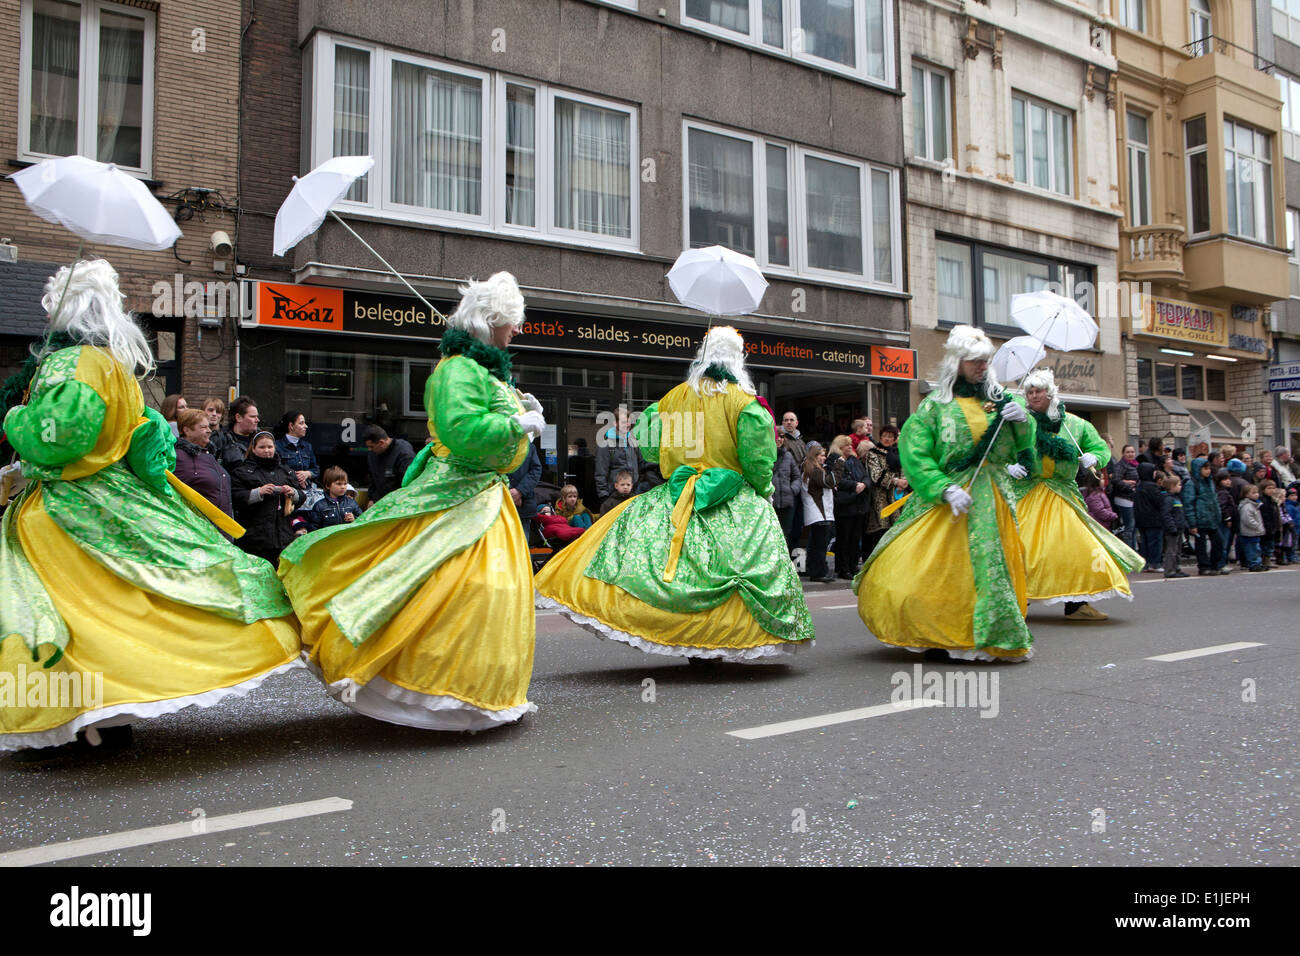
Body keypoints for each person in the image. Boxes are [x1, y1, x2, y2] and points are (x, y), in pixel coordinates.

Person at [0, 260, 299, 756]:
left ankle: (82, 720)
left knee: (73, 616)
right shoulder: (114, 367)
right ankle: (103, 719)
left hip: (65, 512)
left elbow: (60, 439)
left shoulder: (70, 365)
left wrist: (16, 418)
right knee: (121, 609)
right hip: (111, 501)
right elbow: (144, 441)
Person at [279, 271, 543, 730]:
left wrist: (523, 411)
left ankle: (470, 694)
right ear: (491, 321)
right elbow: (461, 433)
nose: (517, 330)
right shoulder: (457, 370)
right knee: (449, 588)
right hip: (457, 493)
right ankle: (424, 692)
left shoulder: (481, 370)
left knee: (484, 594)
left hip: (485, 498)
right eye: (512, 321)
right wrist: (516, 426)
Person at [534, 326, 813, 662]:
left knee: (671, 566)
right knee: (731, 567)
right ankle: (717, 641)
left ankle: (685, 638)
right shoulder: (746, 404)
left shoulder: (674, 397)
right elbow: (758, 461)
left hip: (678, 493)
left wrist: (682, 457)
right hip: (733, 497)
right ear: (737, 360)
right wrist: (762, 490)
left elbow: (650, 448)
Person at [855, 325, 1035, 662]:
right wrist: (945, 488)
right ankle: (937, 633)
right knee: (939, 569)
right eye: (974, 361)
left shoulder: (999, 401)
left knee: (988, 567)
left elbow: (1017, 451)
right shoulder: (935, 407)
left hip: (991, 498)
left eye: (985, 361)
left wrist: (1023, 422)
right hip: (946, 499)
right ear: (957, 362)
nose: (981, 367)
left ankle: (988, 632)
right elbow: (916, 454)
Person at [1011, 369, 1144, 621]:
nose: (1033, 395)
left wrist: (1096, 457)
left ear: (1050, 393)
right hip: (1026, 493)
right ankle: (1019, 601)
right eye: (1030, 391)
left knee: (1078, 548)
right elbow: (1000, 448)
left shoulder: (1075, 424)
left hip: (1062, 494)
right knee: (1021, 548)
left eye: (1038, 391)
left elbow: (1098, 447)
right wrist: (1008, 465)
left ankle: (1077, 604)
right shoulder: (1019, 422)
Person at [229, 431, 305, 564]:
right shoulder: (242, 472)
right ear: (253, 449)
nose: (267, 451)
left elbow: (302, 496)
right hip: (254, 539)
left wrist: (293, 492)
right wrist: (258, 493)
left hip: (283, 537)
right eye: (262, 447)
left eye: (270, 447)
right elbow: (235, 498)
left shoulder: (285, 471)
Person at [173, 407, 233, 518]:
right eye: (203, 427)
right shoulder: (179, 458)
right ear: (186, 430)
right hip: (201, 529)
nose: (209, 431)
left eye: (208, 427)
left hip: (220, 529)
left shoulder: (208, 455)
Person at [862, 424, 905, 559]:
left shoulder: (897, 452)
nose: (887, 439)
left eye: (890, 437)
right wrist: (895, 481)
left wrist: (904, 481)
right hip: (879, 497)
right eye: (885, 436)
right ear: (880, 437)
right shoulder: (873, 453)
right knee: (880, 529)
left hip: (896, 496)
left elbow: (904, 468)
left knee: (896, 529)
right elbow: (876, 475)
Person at [831, 434, 870, 579]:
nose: (849, 447)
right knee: (844, 538)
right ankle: (843, 567)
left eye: (850, 445)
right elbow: (837, 480)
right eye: (846, 445)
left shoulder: (855, 460)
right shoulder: (835, 460)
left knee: (855, 538)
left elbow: (865, 475)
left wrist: (864, 484)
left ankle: (853, 566)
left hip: (859, 504)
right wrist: (855, 485)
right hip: (845, 505)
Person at [801, 441, 837, 583]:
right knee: (819, 544)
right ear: (815, 457)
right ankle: (817, 572)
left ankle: (817, 569)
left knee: (817, 542)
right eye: (821, 456)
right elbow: (829, 482)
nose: (824, 458)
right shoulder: (813, 470)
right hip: (818, 512)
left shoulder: (815, 469)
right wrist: (839, 466)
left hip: (820, 511)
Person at [1182, 456, 1223, 575]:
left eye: (1209, 468)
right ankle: (1204, 567)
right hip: (1200, 519)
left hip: (1211, 518)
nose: (1208, 471)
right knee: (1201, 545)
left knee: (1218, 543)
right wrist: (1192, 523)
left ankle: (1214, 565)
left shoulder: (1210, 482)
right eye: (1205, 468)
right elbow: (1188, 504)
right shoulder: (1191, 483)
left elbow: (1214, 500)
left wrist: (1217, 514)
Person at [593, 407, 640, 501]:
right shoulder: (605, 445)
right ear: (615, 423)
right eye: (624, 422)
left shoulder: (633, 443)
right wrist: (604, 496)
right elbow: (601, 473)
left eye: (628, 422)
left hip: (633, 496)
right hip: (614, 498)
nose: (627, 425)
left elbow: (641, 466)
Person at [362, 425, 415, 505]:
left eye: (371, 447)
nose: (370, 450)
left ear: (381, 443)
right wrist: (372, 498)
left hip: (399, 502)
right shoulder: (373, 454)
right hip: (380, 502)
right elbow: (373, 479)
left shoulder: (404, 454)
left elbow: (409, 483)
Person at [275, 412, 320, 491]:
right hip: (285, 492)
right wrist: (295, 478)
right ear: (291, 426)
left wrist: (307, 474)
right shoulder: (277, 446)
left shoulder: (307, 446)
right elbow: (276, 471)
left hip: (306, 492)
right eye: (301, 423)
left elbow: (316, 469)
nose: (306, 426)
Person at [771, 430, 802, 545]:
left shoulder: (788, 456)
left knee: (786, 534)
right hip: (771, 501)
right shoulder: (765, 456)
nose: (779, 439)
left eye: (781, 436)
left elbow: (797, 477)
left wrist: (792, 490)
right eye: (776, 436)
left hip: (786, 502)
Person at [308, 466, 362, 530]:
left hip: (348, 538)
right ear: (328, 486)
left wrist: (354, 519)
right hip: (328, 538)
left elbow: (362, 520)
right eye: (339, 484)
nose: (343, 487)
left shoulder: (352, 503)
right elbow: (314, 528)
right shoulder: (319, 506)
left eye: (345, 484)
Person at [1134, 462, 1165, 569]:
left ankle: (1146, 563)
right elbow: (1159, 501)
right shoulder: (1152, 487)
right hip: (1153, 519)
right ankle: (1155, 563)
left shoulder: (1139, 485)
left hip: (1141, 519)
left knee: (1145, 542)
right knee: (1155, 542)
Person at [1158, 474, 1189, 578]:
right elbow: (1166, 514)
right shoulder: (1168, 499)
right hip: (1173, 529)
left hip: (1179, 528)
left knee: (1178, 551)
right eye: (1178, 485)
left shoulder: (1176, 498)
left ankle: (1177, 568)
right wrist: (1171, 527)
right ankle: (1170, 570)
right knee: (1171, 551)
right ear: (1172, 486)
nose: (1181, 487)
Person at [1111, 444, 1139, 549]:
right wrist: (1128, 486)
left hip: (1133, 499)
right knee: (1129, 526)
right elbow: (1115, 480)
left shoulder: (1135, 465)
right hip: (1124, 499)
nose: (1130, 454)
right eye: (1128, 452)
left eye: (1132, 452)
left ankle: (1134, 548)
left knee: (1133, 527)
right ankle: (1129, 550)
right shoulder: (1120, 465)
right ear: (1123, 453)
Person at [508, 440, 542, 525]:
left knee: (523, 537)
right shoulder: (495, 446)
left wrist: (519, 491)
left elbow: (536, 470)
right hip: (499, 503)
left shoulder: (529, 447)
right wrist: (511, 492)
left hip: (524, 503)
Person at [1237, 485, 1266, 571]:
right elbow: (1247, 520)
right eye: (1253, 493)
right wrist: (1257, 526)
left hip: (1254, 532)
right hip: (1249, 532)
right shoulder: (1247, 506)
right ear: (1246, 495)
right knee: (1252, 549)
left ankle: (1257, 563)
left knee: (1256, 548)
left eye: (1257, 492)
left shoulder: (1255, 505)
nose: (1256, 495)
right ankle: (1253, 564)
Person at [1215, 468, 1236, 574]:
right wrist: (1227, 517)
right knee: (1223, 543)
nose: (1228, 481)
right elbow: (1222, 507)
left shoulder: (1224, 492)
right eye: (1225, 480)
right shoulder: (1222, 493)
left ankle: (1222, 563)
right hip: (1223, 521)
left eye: (1228, 479)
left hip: (1223, 520)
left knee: (1224, 543)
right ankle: (1221, 564)